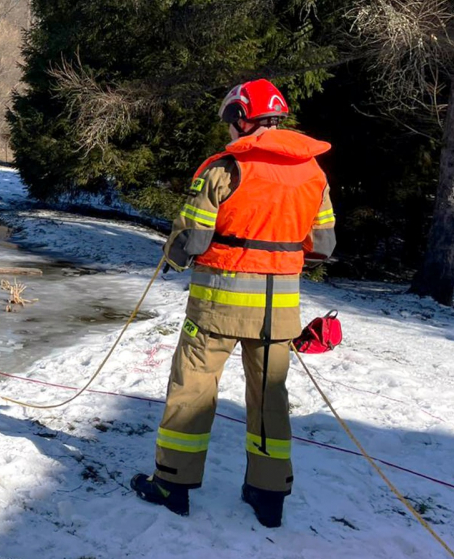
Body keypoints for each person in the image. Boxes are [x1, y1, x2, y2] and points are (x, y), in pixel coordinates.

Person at [131, 79, 337, 528]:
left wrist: (173, 255)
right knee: (270, 399)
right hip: (279, 313)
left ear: (241, 119)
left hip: (216, 308)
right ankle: (268, 496)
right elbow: (323, 245)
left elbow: (191, 240)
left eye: (230, 121)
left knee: (192, 391)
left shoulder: (224, 169)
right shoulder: (313, 173)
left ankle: (172, 485)